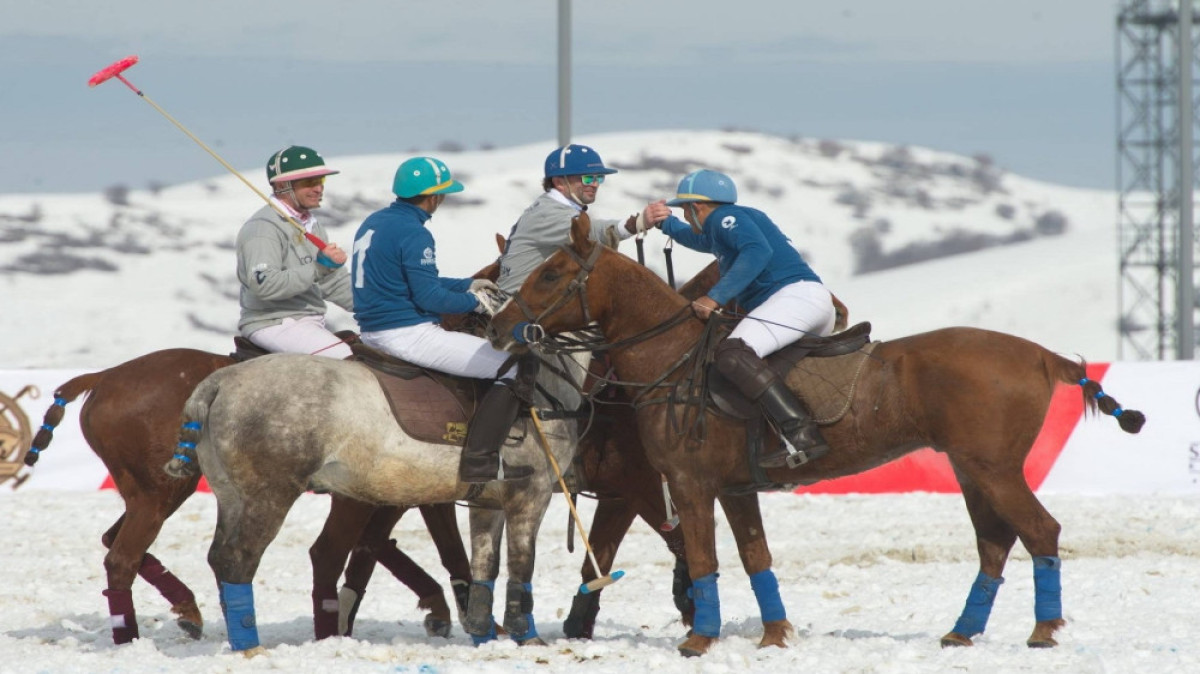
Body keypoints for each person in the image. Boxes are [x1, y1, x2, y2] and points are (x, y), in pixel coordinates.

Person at [350, 156, 533, 483]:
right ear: (433, 196)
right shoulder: (415, 233)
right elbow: (429, 298)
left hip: (372, 333)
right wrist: (474, 303)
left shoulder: (375, 222)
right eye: (443, 193)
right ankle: (482, 461)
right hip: (407, 334)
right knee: (514, 365)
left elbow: (416, 280)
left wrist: (468, 284)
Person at [643, 169, 836, 469]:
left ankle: (802, 435)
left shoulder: (723, 219)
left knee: (732, 352)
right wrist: (665, 223)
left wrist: (714, 297)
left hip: (795, 300)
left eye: (684, 209)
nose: (685, 215)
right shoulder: (725, 226)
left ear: (697, 207)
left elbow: (757, 251)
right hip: (807, 303)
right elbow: (694, 239)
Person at [236, 145, 354, 360]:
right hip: (274, 322)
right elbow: (265, 285)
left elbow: (333, 282)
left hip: (308, 322)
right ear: (282, 185)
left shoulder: (313, 225)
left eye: (321, 181)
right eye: (309, 182)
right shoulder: (263, 228)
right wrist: (319, 268)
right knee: (351, 364)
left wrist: (383, 306)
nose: (319, 188)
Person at [496, 143, 658, 293]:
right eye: (587, 178)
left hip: (534, 305)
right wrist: (637, 223)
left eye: (599, 178)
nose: (595, 184)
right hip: (518, 310)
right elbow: (585, 233)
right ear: (559, 182)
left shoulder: (551, 207)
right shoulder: (547, 213)